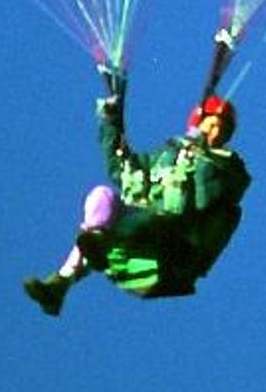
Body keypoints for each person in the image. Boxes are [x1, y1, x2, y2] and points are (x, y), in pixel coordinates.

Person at [22, 63, 252, 315]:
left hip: (170, 248)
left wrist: (201, 157)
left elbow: (201, 202)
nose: (214, 131)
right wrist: (111, 120)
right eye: (211, 124)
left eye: (221, 128)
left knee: (158, 216)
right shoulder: (164, 158)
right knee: (102, 196)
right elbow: (122, 167)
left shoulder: (225, 171)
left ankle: (106, 244)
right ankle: (60, 284)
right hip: (135, 246)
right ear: (199, 123)